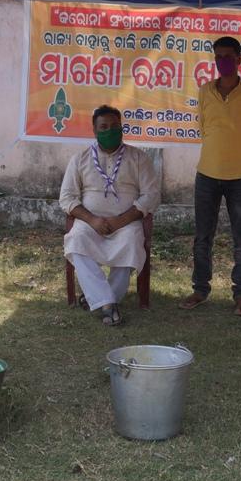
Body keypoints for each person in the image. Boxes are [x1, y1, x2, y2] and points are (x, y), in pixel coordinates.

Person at [179, 36, 241, 316]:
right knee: (202, 237)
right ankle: (200, 289)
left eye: (228, 56)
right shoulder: (205, 91)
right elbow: (203, 127)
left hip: (240, 178)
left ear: (240, 59)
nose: (223, 62)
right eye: (218, 57)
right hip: (206, 175)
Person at [60, 105, 160, 326]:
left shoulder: (138, 158)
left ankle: (101, 299)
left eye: (115, 126)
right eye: (103, 127)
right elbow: (66, 198)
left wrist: (121, 220)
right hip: (90, 222)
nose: (110, 131)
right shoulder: (80, 159)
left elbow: (151, 195)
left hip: (126, 222)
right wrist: (92, 220)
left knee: (132, 241)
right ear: (94, 131)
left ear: (122, 128)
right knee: (76, 240)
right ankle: (108, 302)